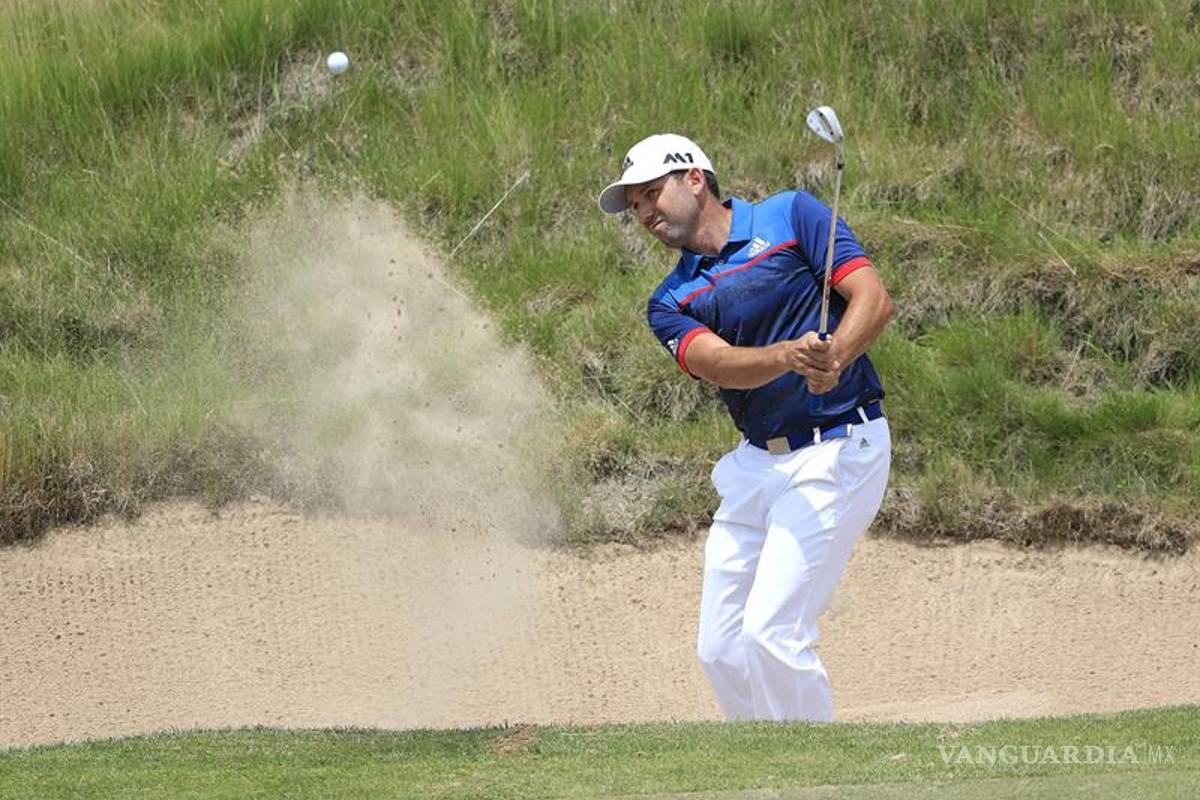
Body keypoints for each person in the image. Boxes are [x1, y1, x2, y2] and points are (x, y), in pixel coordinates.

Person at [597, 133, 895, 722]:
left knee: (772, 632)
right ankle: (764, 767)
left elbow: (873, 300)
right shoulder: (671, 299)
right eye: (634, 207)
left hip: (839, 446)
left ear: (694, 179)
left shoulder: (791, 214)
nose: (645, 213)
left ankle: (816, 775)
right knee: (722, 648)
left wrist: (833, 358)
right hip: (757, 464)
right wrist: (789, 356)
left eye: (652, 194)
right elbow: (718, 366)